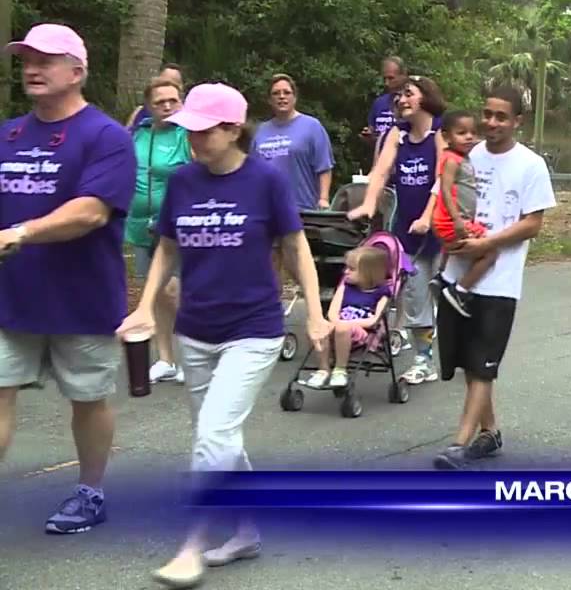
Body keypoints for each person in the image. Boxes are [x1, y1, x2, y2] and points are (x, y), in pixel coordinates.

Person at [116, 82, 329, 587]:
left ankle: (191, 543)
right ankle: (248, 528)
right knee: (220, 437)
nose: (192, 138)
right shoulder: (185, 182)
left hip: (253, 330)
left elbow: (297, 249)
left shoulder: (265, 182)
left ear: (233, 129)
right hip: (195, 330)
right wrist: (146, 306)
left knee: (213, 433)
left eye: (203, 130)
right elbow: (168, 248)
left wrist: (316, 314)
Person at [0, 24, 136, 534]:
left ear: (77, 71)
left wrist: (19, 232)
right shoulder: (8, 134)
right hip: (12, 297)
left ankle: (90, 491)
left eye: (46, 59)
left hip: (82, 299)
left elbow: (92, 212)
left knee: (88, 400)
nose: (32, 68)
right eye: (26, 59)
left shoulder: (107, 137)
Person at [432, 86, 556, 470]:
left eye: (501, 117)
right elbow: (444, 198)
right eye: (487, 114)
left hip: (498, 282)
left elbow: (532, 224)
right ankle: (490, 432)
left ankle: (460, 443)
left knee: (483, 363)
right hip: (456, 275)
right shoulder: (465, 153)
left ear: (517, 121)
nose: (491, 123)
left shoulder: (530, 165)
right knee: (470, 364)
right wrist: (448, 246)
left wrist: (485, 242)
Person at [348, 76, 448, 385]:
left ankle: (462, 346)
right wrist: (368, 203)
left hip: (442, 228)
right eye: (399, 96)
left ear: (425, 98)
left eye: (409, 94)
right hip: (408, 230)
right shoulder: (397, 134)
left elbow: (443, 178)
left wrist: (429, 216)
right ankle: (424, 360)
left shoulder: (439, 132)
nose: (401, 100)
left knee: (449, 294)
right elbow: (380, 171)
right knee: (417, 292)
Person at [126, 76, 192, 384]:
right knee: (155, 295)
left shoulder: (188, 135)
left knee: (173, 290)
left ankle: (194, 355)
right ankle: (166, 359)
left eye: (172, 101)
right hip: (141, 225)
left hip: (177, 226)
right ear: (148, 106)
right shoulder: (138, 134)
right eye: (159, 102)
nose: (166, 106)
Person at [435, 111, 498, 316]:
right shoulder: (452, 159)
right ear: (446, 137)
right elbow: (444, 189)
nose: (469, 137)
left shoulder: (461, 157)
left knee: (453, 247)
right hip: (454, 221)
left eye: (472, 132)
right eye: (462, 133)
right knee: (490, 251)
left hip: (457, 220)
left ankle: (441, 278)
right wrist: (456, 219)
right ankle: (460, 290)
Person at [305, 246, 392, 389]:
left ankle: (340, 370)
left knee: (342, 328)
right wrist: (336, 323)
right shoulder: (345, 286)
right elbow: (333, 312)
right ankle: (323, 369)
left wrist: (346, 324)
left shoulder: (381, 292)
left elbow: (374, 320)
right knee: (317, 327)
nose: (346, 272)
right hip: (340, 325)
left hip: (363, 332)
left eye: (351, 269)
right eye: (346, 267)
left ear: (368, 273)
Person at [253, 74, 335, 211]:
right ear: (269, 100)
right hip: (267, 208)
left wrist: (324, 198)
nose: (281, 96)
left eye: (287, 92)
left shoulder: (312, 126)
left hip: (302, 208)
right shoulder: (260, 131)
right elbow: (253, 171)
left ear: (295, 97)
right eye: (276, 93)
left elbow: (324, 166)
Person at [363, 56, 408, 149]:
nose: (387, 83)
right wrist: (369, 137)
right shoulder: (379, 103)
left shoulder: (411, 103)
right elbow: (373, 132)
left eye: (391, 78)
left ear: (403, 76)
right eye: (385, 79)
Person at [127, 63, 185, 131]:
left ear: (182, 86)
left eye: (174, 81)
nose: (168, 86)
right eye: (164, 80)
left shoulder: (188, 124)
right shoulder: (139, 112)